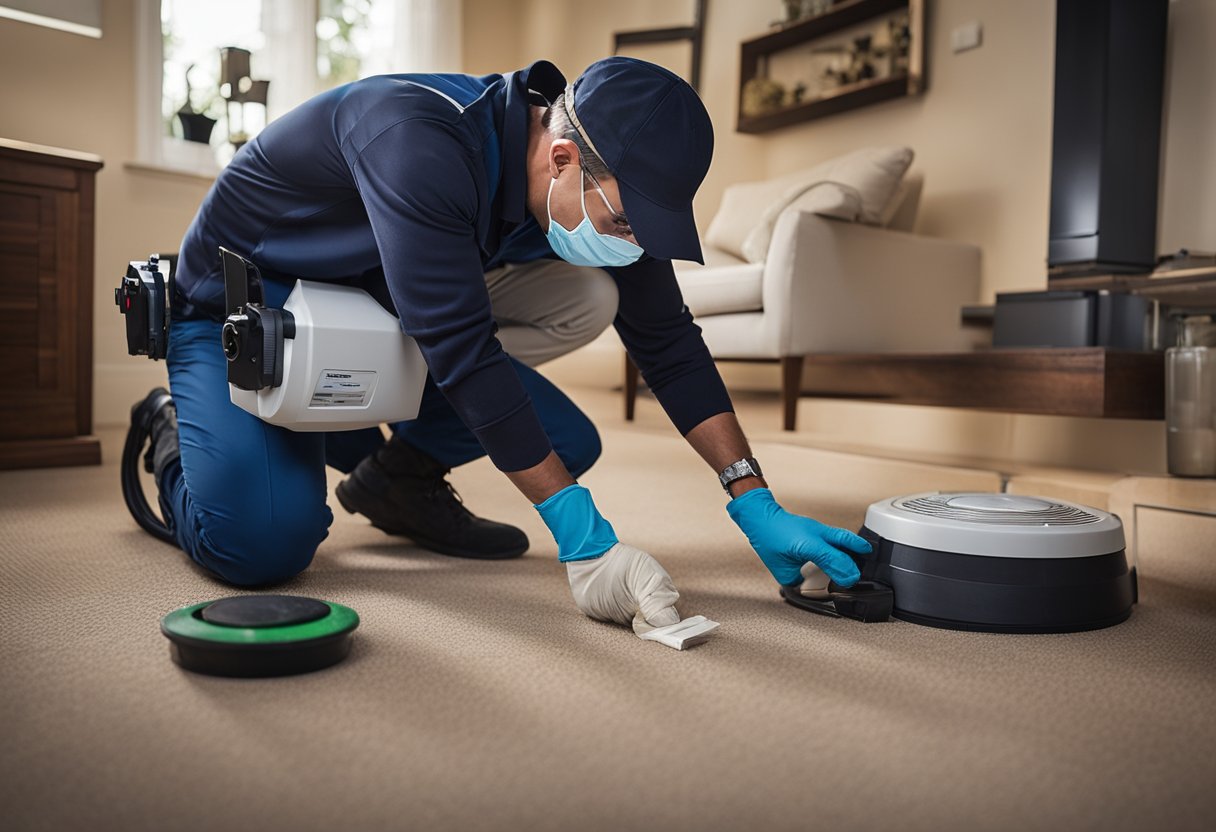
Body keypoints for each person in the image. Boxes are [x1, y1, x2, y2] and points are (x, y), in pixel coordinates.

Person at [132, 57, 871, 633]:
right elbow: (460, 348)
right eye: (625, 222)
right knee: (265, 544)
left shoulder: (593, 179)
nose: (634, 239)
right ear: (561, 161)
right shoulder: (416, 137)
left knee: (566, 437)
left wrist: (753, 498)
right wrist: (582, 538)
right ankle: (175, 428)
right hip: (246, 312)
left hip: (376, 319)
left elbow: (669, 343)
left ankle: (395, 480)